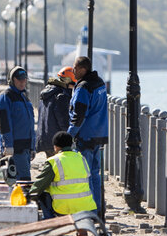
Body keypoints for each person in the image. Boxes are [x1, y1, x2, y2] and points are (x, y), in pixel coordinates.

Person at [68, 56, 108, 212]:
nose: (73, 71)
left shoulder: (84, 88)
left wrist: (69, 135)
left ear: (82, 69)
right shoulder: (100, 84)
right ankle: (97, 209)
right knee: (95, 174)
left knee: (86, 175)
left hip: (85, 136)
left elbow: (79, 115)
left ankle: (89, 210)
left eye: (75, 68)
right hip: (99, 135)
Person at [29, 131, 97, 220]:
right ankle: (82, 231)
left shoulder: (54, 161)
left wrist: (29, 195)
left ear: (56, 147)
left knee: (43, 194)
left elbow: (40, 184)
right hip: (86, 206)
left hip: (64, 208)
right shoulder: (81, 158)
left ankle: (51, 222)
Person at [0, 66, 35, 180]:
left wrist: (32, 147)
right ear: (12, 80)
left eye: (24, 79)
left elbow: (30, 124)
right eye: (19, 79)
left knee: (21, 181)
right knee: (23, 181)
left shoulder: (24, 98)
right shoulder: (5, 97)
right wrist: (7, 145)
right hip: (15, 149)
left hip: (26, 148)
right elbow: (3, 123)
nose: (22, 82)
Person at [36, 66, 76, 158]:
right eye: (73, 85)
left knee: (52, 165)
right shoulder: (61, 97)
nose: (73, 88)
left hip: (45, 138)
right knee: (59, 169)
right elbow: (63, 121)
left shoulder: (47, 93)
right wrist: (70, 138)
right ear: (68, 82)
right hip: (57, 141)